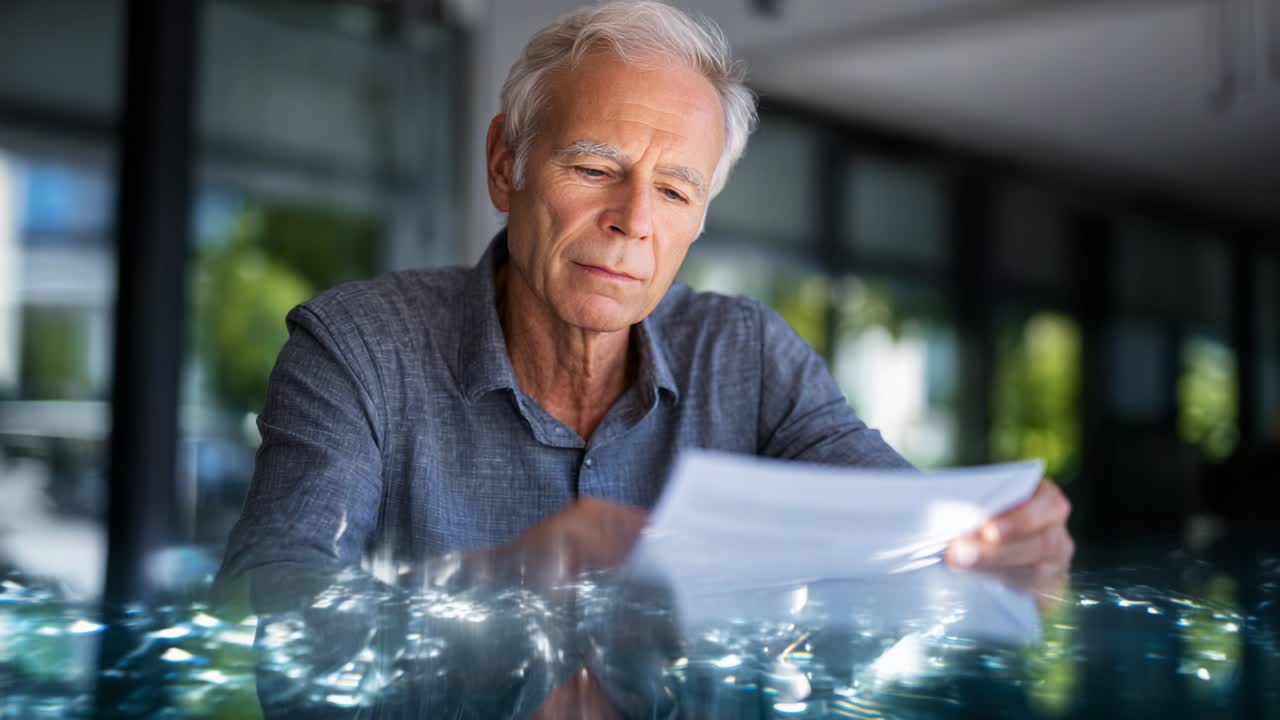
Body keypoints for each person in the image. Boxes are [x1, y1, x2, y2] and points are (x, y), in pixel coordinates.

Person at [217, 1, 1073, 714]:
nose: (634, 220)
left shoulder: (749, 353)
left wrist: (994, 540)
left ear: (698, 219)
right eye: (595, 167)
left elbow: (897, 525)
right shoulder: (358, 347)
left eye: (673, 190)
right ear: (503, 165)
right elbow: (269, 610)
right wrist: (514, 575)